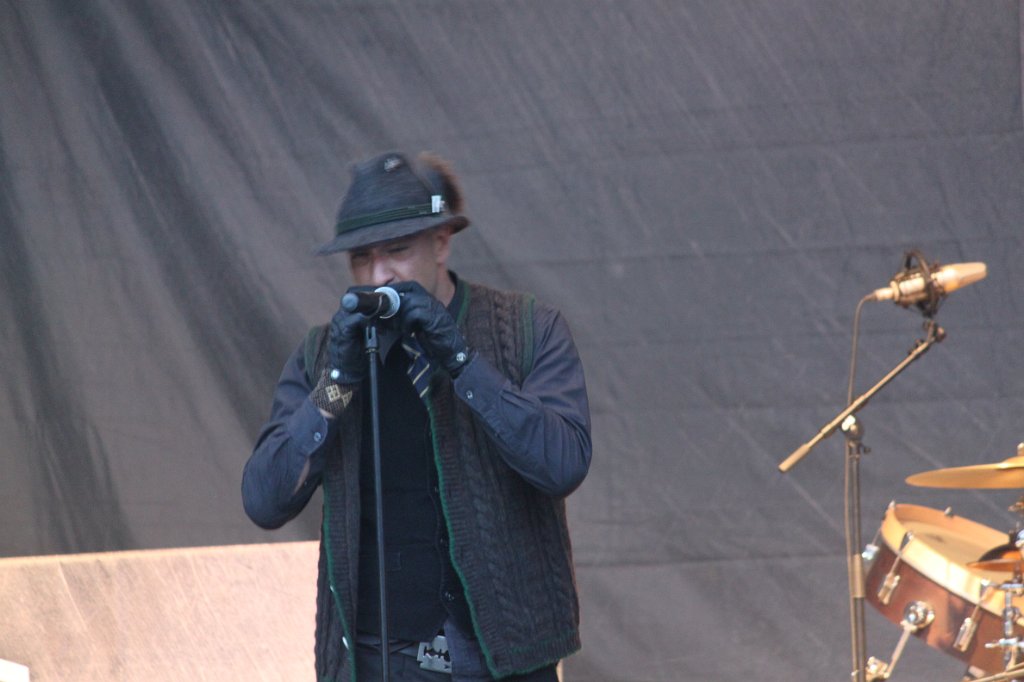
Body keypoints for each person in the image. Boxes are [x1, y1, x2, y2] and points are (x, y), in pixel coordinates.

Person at [242, 151, 592, 682]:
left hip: (508, 658)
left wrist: (462, 361)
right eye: (361, 258)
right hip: (380, 658)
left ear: (442, 242)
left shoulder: (529, 329)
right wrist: (336, 385)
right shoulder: (322, 354)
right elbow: (264, 500)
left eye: (398, 250)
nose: (379, 274)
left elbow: (562, 465)